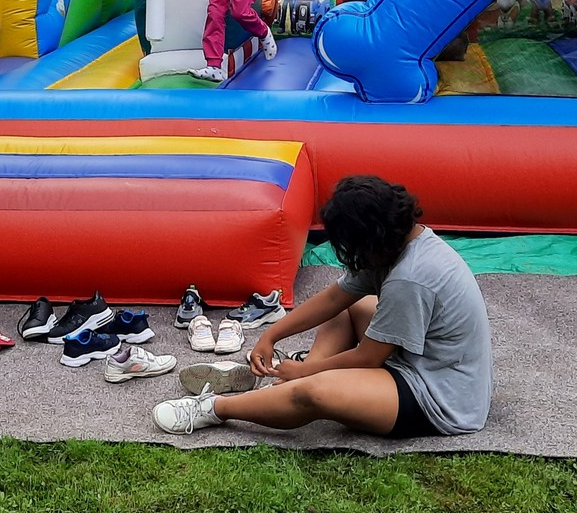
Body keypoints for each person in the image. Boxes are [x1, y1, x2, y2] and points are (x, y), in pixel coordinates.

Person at [152, 175, 491, 439]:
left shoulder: (411, 278)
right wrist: (271, 335)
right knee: (351, 307)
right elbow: (333, 299)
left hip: (439, 397)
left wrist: (307, 373)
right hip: (421, 362)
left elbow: (368, 358)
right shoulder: (400, 242)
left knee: (313, 393)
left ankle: (214, 408)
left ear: (369, 237)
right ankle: (287, 383)